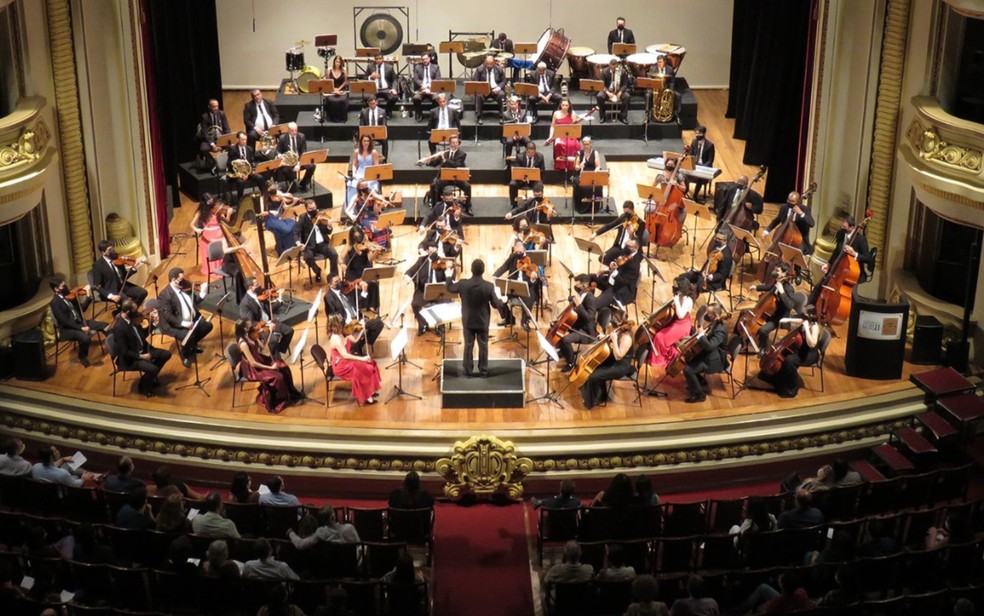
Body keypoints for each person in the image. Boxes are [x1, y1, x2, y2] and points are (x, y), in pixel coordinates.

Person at [447, 259, 505, 377]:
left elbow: (450, 288)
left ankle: (468, 370)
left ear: (471, 270)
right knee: (483, 345)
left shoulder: (463, 284)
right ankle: (483, 370)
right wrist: (502, 301)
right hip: (483, 322)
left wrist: (448, 276)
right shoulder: (488, 286)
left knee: (468, 345)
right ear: (483, 271)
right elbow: (495, 304)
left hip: (468, 321)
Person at [236, 320, 302, 414]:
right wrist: (271, 368)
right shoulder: (243, 344)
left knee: (284, 368)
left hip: (259, 359)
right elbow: (253, 363)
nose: (253, 326)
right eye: (250, 325)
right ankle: (277, 401)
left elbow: (262, 347)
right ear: (245, 329)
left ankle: (291, 394)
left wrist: (258, 336)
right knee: (278, 377)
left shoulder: (251, 335)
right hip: (252, 369)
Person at [110, 299, 172, 397]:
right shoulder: (119, 328)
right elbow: (124, 351)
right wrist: (141, 356)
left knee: (166, 354)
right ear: (127, 312)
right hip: (131, 358)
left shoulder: (131, 319)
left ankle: (150, 378)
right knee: (153, 369)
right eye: (135, 310)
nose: (138, 313)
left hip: (143, 349)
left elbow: (141, 335)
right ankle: (143, 386)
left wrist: (154, 324)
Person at [758, 307, 824, 398]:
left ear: (811, 315)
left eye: (805, 314)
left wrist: (806, 329)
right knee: (786, 355)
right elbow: (800, 320)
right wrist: (787, 319)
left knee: (788, 360)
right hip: (802, 349)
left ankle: (792, 386)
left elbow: (812, 344)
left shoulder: (815, 327)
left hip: (809, 354)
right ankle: (778, 378)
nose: (803, 315)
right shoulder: (806, 320)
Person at [579, 309, 636, 410]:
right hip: (613, 359)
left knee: (594, 376)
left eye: (614, 320)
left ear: (620, 322)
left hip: (620, 366)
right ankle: (592, 391)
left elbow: (619, 356)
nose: (611, 322)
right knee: (593, 366)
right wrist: (605, 337)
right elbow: (612, 337)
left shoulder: (627, 338)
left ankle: (597, 399)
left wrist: (613, 340)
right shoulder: (619, 329)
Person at [157, 268, 213, 368]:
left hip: (192, 319)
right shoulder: (165, 295)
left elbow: (193, 301)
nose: (184, 281)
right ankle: (185, 354)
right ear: (174, 280)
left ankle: (191, 345)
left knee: (207, 326)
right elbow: (168, 316)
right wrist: (183, 323)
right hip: (174, 324)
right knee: (188, 335)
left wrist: (203, 293)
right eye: (181, 279)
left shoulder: (184, 287)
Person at [49, 278, 108, 367]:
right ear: (56, 289)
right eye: (62, 285)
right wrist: (81, 328)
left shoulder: (69, 296)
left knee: (106, 326)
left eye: (64, 284)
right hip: (68, 329)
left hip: (79, 322)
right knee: (86, 338)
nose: (65, 287)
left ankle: (115, 344)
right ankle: (82, 356)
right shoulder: (55, 302)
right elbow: (64, 321)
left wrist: (88, 295)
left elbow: (82, 308)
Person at [326, 313, 382, 405]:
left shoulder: (342, 332)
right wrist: (362, 359)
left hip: (348, 361)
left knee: (371, 364)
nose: (343, 324)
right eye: (341, 323)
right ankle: (367, 396)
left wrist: (363, 328)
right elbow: (345, 355)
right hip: (342, 366)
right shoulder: (335, 339)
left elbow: (355, 340)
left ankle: (370, 391)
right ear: (336, 325)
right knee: (364, 371)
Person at [324, 274, 384, 354]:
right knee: (370, 325)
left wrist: (364, 291)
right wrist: (351, 324)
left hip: (357, 318)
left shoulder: (344, 289)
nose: (340, 283)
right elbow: (332, 317)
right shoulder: (328, 298)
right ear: (330, 284)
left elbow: (357, 304)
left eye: (339, 280)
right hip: (345, 325)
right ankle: (356, 347)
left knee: (379, 323)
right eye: (336, 282)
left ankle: (361, 344)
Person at [746, 262, 798, 354]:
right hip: (769, 312)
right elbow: (769, 287)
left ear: (784, 274)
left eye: (777, 271)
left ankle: (764, 348)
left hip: (778, 317)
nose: (774, 272)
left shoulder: (788, 288)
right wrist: (756, 287)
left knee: (763, 330)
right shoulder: (778, 281)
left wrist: (782, 292)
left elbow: (790, 305)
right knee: (745, 312)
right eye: (775, 269)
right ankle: (739, 333)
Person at [682, 303, 728, 404]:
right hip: (709, 354)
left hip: (715, 360)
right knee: (689, 358)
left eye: (709, 314)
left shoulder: (720, 330)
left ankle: (700, 395)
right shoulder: (715, 322)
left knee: (687, 370)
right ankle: (699, 382)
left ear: (715, 315)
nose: (707, 316)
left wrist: (702, 335)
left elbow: (710, 346)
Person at [239, 276, 294, 358]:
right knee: (274, 339)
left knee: (289, 331)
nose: (260, 286)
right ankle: (275, 358)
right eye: (257, 285)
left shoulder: (258, 295)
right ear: (251, 288)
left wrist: (279, 298)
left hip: (269, 322)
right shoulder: (245, 304)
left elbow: (269, 309)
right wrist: (267, 325)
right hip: (259, 328)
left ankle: (278, 350)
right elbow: (250, 323)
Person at [646, 278, 694, 368]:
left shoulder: (688, 300)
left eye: (676, 286)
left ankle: (659, 361)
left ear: (682, 288)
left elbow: (680, 315)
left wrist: (676, 300)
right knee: (658, 331)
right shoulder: (678, 295)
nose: (674, 288)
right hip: (675, 321)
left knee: (660, 337)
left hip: (682, 325)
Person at [494, 241, 541, 330]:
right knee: (497, 297)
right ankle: (508, 318)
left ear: (524, 249)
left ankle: (524, 321)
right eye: (516, 252)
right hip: (513, 286)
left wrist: (533, 277)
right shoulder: (513, 257)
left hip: (527, 286)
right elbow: (504, 267)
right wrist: (494, 276)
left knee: (529, 300)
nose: (518, 254)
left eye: (520, 252)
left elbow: (537, 272)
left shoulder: (531, 258)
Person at [557, 274, 599, 373]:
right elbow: (576, 297)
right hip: (579, 324)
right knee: (560, 327)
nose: (576, 287)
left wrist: (579, 305)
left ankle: (571, 363)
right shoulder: (582, 292)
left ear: (584, 286)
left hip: (587, 332)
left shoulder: (590, 299)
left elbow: (589, 318)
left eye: (578, 285)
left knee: (565, 339)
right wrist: (569, 298)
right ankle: (565, 352)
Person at [294, 200, 339, 284]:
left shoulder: (321, 216)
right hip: (310, 245)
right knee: (307, 258)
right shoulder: (303, 218)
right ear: (306, 209)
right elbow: (296, 232)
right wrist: (299, 243)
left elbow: (328, 232)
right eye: (310, 209)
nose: (313, 210)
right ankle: (317, 271)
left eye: (314, 208)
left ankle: (334, 276)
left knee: (334, 254)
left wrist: (329, 226)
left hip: (323, 243)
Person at [92, 239, 148, 306]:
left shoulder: (118, 259)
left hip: (123, 286)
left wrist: (133, 268)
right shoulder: (98, 265)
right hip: (111, 290)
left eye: (113, 248)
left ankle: (130, 311)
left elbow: (124, 276)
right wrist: (111, 296)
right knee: (127, 303)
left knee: (143, 293)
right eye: (109, 250)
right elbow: (97, 286)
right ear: (103, 252)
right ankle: (123, 313)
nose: (113, 251)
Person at [425, 133, 472, 214]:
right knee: (434, 185)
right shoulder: (445, 153)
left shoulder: (462, 154)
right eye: (453, 143)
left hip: (457, 177)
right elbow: (435, 163)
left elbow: (456, 165)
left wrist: (445, 160)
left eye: (456, 142)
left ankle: (467, 207)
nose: (455, 144)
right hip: (445, 178)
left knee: (468, 186)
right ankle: (435, 206)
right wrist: (429, 161)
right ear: (450, 143)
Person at [544, 98, 594, 173]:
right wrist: (550, 136)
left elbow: (574, 127)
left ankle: (572, 165)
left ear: (569, 106)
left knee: (574, 145)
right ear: (560, 105)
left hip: (570, 135)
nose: (564, 107)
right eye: (563, 105)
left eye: (566, 105)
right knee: (558, 144)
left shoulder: (572, 113)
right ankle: (561, 165)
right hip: (559, 135)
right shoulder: (556, 113)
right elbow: (552, 126)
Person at [729, 571, 811, 615]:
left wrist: (767, 604)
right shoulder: (802, 592)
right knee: (763, 588)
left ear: (782, 586)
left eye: (781, 579)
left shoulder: (779, 601)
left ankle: (737, 610)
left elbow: (769, 608)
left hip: (781, 607)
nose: (779, 578)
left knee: (758, 606)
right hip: (789, 604)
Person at [190, 193, 232, 277]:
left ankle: (223, 266)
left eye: (211, 200)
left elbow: (227, 221)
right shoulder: (201, 212)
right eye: (208, 202)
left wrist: (229, 214)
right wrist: (197, 229)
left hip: (219, 232)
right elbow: (191, 224)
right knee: (208, 243)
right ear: (204, 203)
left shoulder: (218, 209)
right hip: (208, 234)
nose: (211, 203)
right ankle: (212, 268)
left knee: (222, 241)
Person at [591, 200, 644, 264]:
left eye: (627, 213)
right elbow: (609, 226)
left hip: (629, 250)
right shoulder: (623, 217)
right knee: (602, 259)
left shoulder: (640, 223)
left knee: (620, 264)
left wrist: (631, 234)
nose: (626, 215)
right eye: (624, 212)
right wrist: (596, 233)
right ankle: (613, 271)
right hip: (619, 247)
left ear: (632, 210)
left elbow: (638, 242)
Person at [287, 505, 360, 549]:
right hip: (351, 566)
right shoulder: (350, 528)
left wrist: (291, 532)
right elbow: (359, 546)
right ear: (333, 517)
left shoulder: (320, 532)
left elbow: (300, 544)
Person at [259, 182, 301, 256]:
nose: (274, 190)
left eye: (274, 187)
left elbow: (285, 207)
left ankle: (291, 249)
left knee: (295, 224)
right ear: (267, 190)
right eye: (271, 189)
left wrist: (293, 202)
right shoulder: (262, 198)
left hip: (281, 215)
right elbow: (261, 213)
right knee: (287, 229)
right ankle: (284, 251)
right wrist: (270, 212)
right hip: (270, 219)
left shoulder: (279, 194)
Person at [31, 444, 101, 486]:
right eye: (55, 451)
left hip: (46, 492)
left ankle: (92, 475)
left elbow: (52, 466)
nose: (57, 451)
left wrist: (62, 459)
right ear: (51, 457)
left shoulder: (35, 467)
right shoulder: (62, 473)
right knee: (76, 476)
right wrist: (83, 478)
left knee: (66, 464)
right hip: (60, 493)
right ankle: (90, 475)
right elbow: (75, 485)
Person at [226, 131, 265, 202]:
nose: (244, 141)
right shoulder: (232, 149)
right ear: (237, 139)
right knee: (240, 182)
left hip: (248, 172)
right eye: (242, 140)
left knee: (260, 177)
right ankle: (240, 200)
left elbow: (252, 161)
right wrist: (234, 161)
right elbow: (228, 163)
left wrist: (253, 170)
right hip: (237, 174)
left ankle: (264, 195)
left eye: (245, 139)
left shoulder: (249, 149)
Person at [276, 122, 315, 191]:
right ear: (288, 130)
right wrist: (280, 155)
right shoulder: (282, 138)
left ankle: (304, 183)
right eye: (292, 130)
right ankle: (292, 183)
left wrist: (299, 164)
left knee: (312, 166)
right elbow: (277, 151)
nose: (294, 132)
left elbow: (304, 152)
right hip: (288, 162)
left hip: (299, 160)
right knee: (286, 170)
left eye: (296, 130)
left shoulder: (301, 136)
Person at [572, 136, 604, 214]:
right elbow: (576, 168)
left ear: (590, 144)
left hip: (592, 173)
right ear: (582, 144)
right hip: (582, 174)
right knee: (581, 186)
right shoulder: (579, 153)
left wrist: (595, 172)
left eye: (587, 144)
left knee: (597, 187)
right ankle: (582, 207)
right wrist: (580, 165)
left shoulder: (595, 153)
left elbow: (598, 166)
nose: (586, 146)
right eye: (584, 144)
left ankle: (595, 207)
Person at [243, 89, 280, 156]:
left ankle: (279, 154)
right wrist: (256, 128)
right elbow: (246, 120)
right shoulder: (248, 106)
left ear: (261, 94)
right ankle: (251, 157)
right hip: (258, 130)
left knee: (281, 133)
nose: (257, 97)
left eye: (258, 94)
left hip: (271, 128)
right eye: (254, 96)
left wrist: (274, 125)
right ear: (252, 98)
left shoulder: (268, 102)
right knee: (251, 135)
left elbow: (276, 115)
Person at [197, 98, 231, 171]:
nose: (216, 108)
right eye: (214, 106)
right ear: (209, 107)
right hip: (209, 140)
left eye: (217, 106)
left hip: (220, 138)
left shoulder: (221, 114)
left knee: (232, 146)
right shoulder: (204, 117)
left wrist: (226, 139)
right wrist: (213, 145)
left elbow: (226, 128)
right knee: (203, 149)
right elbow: (205, 133)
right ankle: (213, 163)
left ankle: (228, 164)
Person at [508, 141, 545, 206]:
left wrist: (535, 172)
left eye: (533, 153)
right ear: (526, 151)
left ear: (535, 151)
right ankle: (514, 204)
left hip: (534, 180)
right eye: (529, 152)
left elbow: (542, 170)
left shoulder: (540, 157)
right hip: (521, 179)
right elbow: (517, 170)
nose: (531, 154)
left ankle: (538, 204)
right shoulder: (519, 157)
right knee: (512, 184)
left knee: (539, 185)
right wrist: (521, 177)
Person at [472, 55, 506, 125]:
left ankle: (502, 116)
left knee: (501, 94)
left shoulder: (499, 69)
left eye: (491, 64)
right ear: (485, 62)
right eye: (487, 64)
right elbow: (475, 81)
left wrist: (498, 88)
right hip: (483, 90)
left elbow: (503, 81)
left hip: (495, 90)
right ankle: (479, 117)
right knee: (479, 96)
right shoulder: (479, 69)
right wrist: (482, 89)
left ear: (494, 63)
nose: (489, 65)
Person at [597, 57, 631, 124]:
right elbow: (601, 84)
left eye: (615, 68)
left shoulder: (622, 71)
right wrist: (607, 92)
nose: (613, 69)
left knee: (627, 96)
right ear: (609, 65)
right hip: (607, 90)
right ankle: (602, 116)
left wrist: (620, 92)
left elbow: (625, 84)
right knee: (599, 96)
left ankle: (623, 116)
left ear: (617, 66)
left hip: (618, 90)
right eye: (612, 68)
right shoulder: (604, 71)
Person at [411, 52, 441, 122]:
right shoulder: (417, 67)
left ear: (429, 59)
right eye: (423, 59)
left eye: (426, 59)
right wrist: (422, 86)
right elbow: (416, 79)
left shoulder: (436, 67)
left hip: (432, 88)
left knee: (436, 98)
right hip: (421, 89)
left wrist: (429, 86)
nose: (425, 60)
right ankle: (419, 113)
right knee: (416, 98)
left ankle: (434, 115)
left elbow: (438, 78)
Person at [500, 96, 530, 163]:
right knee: (509, 142)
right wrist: (513, 136)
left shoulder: (523, 112)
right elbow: (504, 128)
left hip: (521, 134)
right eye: (511, 104)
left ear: (517, 104)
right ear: (509, 104)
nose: (513, 106)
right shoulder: (505, 114)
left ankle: (526, 160)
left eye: (514, 104)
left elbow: (526, 125)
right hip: (510, 134)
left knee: (529, 142)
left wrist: (521, 135)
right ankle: (508, 161)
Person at [687, 126, 715, 198]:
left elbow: (710, 160)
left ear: (704, 134)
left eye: (699, 134)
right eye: (696, 134)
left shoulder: (710, 145)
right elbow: (690, 154)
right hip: (694, 165)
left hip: (703, 166)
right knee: (683, 175)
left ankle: (695, 196)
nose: (697, 136)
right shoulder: (694, 142)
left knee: (699, 178)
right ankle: (685, 192)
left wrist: (701, 168)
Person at [324, 54, 349, 123]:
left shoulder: (344, 70)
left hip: (341, 90)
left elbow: (345, 82)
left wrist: (338, 89)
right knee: (332, 100)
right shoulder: (329, 70)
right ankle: (332, 118)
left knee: (342, 100)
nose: (337, 63)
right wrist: (334, 90)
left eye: (339, 62)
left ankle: (342, 119)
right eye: (336, 61)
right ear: (334, 62)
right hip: (331, 90)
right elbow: (327, 82)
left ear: (341, 63)